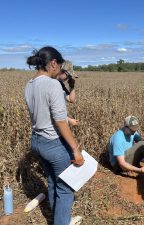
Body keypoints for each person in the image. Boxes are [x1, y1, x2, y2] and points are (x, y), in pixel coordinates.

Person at [24, 46, 84, 225]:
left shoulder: (29, 85)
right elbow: (59, 121)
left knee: (52, 181)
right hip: (54, 145)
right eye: (59, 66)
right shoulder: (52, 85)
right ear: (53, 63)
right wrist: (75, 150)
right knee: (65, 190)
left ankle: (58, 217)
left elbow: (44, 113)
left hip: (37, 141)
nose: (60, 71)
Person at [57, 60, 79, 126]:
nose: (68, 78)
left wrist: (71, 86)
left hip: (60, 123)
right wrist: (68, 120)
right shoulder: (51, 84)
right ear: (61, 71)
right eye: (68, 75)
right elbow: (49, 110)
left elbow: (71, 99)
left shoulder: (60, 84)